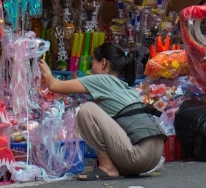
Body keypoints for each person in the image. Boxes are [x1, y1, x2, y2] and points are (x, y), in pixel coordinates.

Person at [41, 43, 165, 180]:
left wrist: (46, 72)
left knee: (87, 110)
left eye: (92, 63)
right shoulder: (125, 87)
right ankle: (116, 165)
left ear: (103, 63)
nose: (91, 69)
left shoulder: (101, 79)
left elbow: (55, 85)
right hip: (154, 157)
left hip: (138, 156)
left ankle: (107, 167)